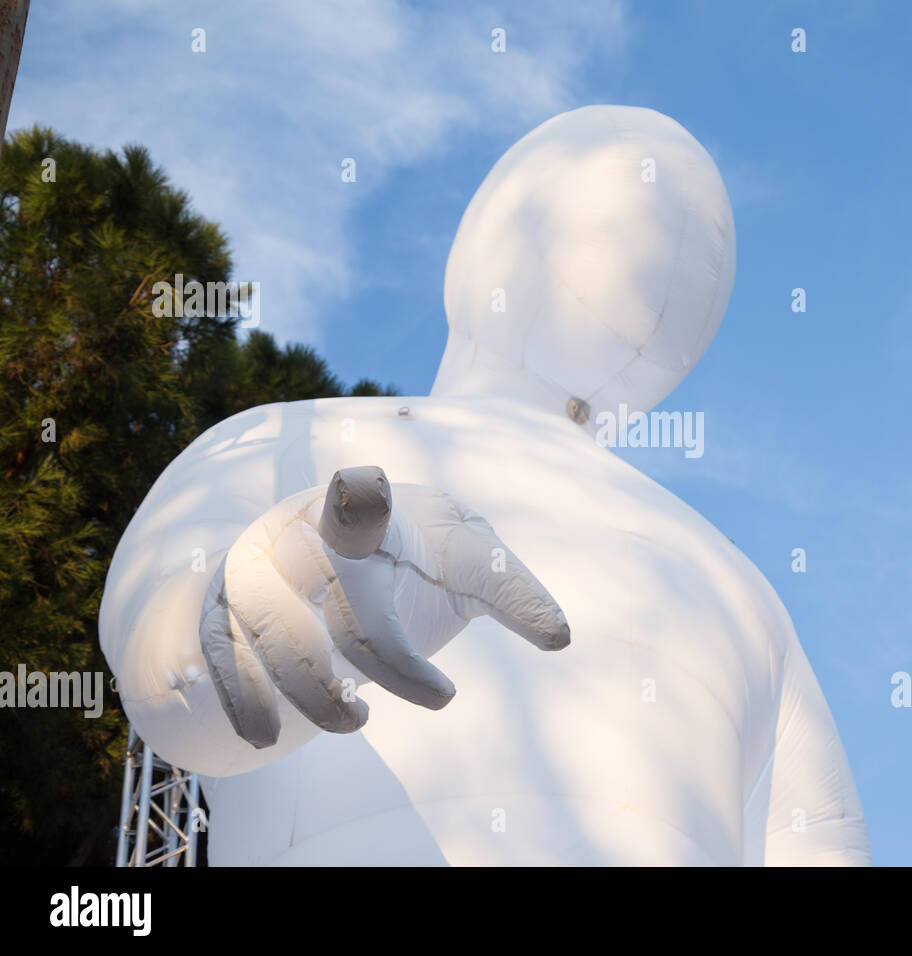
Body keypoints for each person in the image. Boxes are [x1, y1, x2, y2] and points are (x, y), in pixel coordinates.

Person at [100, 105, 869, 865]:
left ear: (473, 249)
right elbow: (172, 677)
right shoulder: (740, 589)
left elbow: (176, 687)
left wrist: (277, 607)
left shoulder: (280, 439)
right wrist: (283, 604)